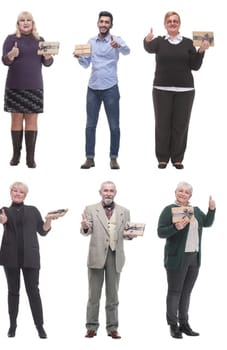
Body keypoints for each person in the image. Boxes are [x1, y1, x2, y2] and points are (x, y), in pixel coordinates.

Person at [144, 12, 208, 170]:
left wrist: (201, 51)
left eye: (175, 21)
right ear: (165, 24)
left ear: (179, 24)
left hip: (185, 90)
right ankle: (162, 158)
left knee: (181, 124)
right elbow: (148, 48)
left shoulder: (188, 43)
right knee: (162, 124)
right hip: (161, 89)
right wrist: (147, 39)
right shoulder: (159, 41)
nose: (172, 23)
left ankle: (177, 158)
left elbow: (195, 66)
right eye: (169, 21)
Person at [0, 181, 58, 339]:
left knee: (33, 292)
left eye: (21, 192)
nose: (17, 194)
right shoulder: (4, 210)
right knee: (13, 291)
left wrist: (49, 219)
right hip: (10, 257)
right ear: (10, 192)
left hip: (30, 256)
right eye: (15, 191)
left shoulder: (33, 210)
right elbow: (1, 219)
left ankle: (40, 326)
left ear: (25, 195)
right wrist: (2, 220)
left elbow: (42, 231)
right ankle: (12, 325)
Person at [157, 182, 215, 338]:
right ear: (175, 192)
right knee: (175, 292)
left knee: (186, 293)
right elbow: (161, 232)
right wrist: (176, 228)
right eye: (180, 191)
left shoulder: (194, 211)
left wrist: (211, 209)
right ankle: (173, 325)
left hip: (194, 258)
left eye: (186, 192)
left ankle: (184, 323)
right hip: (177, 258)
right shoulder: (169, 210)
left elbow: (207, 223)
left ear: (190, 196)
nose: (183, 194)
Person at [79, 181, 134, 339]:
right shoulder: (90, 209)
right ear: (100, 192)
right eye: (105, 190)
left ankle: (112, 328)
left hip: (115, 256)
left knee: (113, 295)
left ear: (115, 192)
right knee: (93, 295)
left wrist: (130, 235)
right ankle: (91, 327)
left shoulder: (125, 211)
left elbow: (126, 232)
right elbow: (86, 230)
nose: (108, 193)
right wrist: (84, 226)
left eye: (111, 190)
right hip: (96, 256)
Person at [77, 11, 130, 170]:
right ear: (98, 23)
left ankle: (113, 158)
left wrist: (118, 46)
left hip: (110, 88)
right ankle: (89, 158)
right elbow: (86, 64)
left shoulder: (116, 40)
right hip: (93, 88)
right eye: (101, 22)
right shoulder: (90, 41)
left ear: (111, 25)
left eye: (107, 22)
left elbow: (127, 51)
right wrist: (79, 57)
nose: (104, 24)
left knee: (114, 125)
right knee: (90, 125)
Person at [2, 11, 53, 168]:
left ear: (33, 23)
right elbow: (5, 61)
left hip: (34, 85)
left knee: (32, 121)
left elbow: (48, 63)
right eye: (22, 20)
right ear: (18, 24)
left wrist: (47, 57)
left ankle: (30, 158)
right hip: (15, 85)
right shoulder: (11, 39)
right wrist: (11, 54)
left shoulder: (40, 40)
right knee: (16, 119)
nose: (25, 23)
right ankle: (16, 155)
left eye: (28, 20)